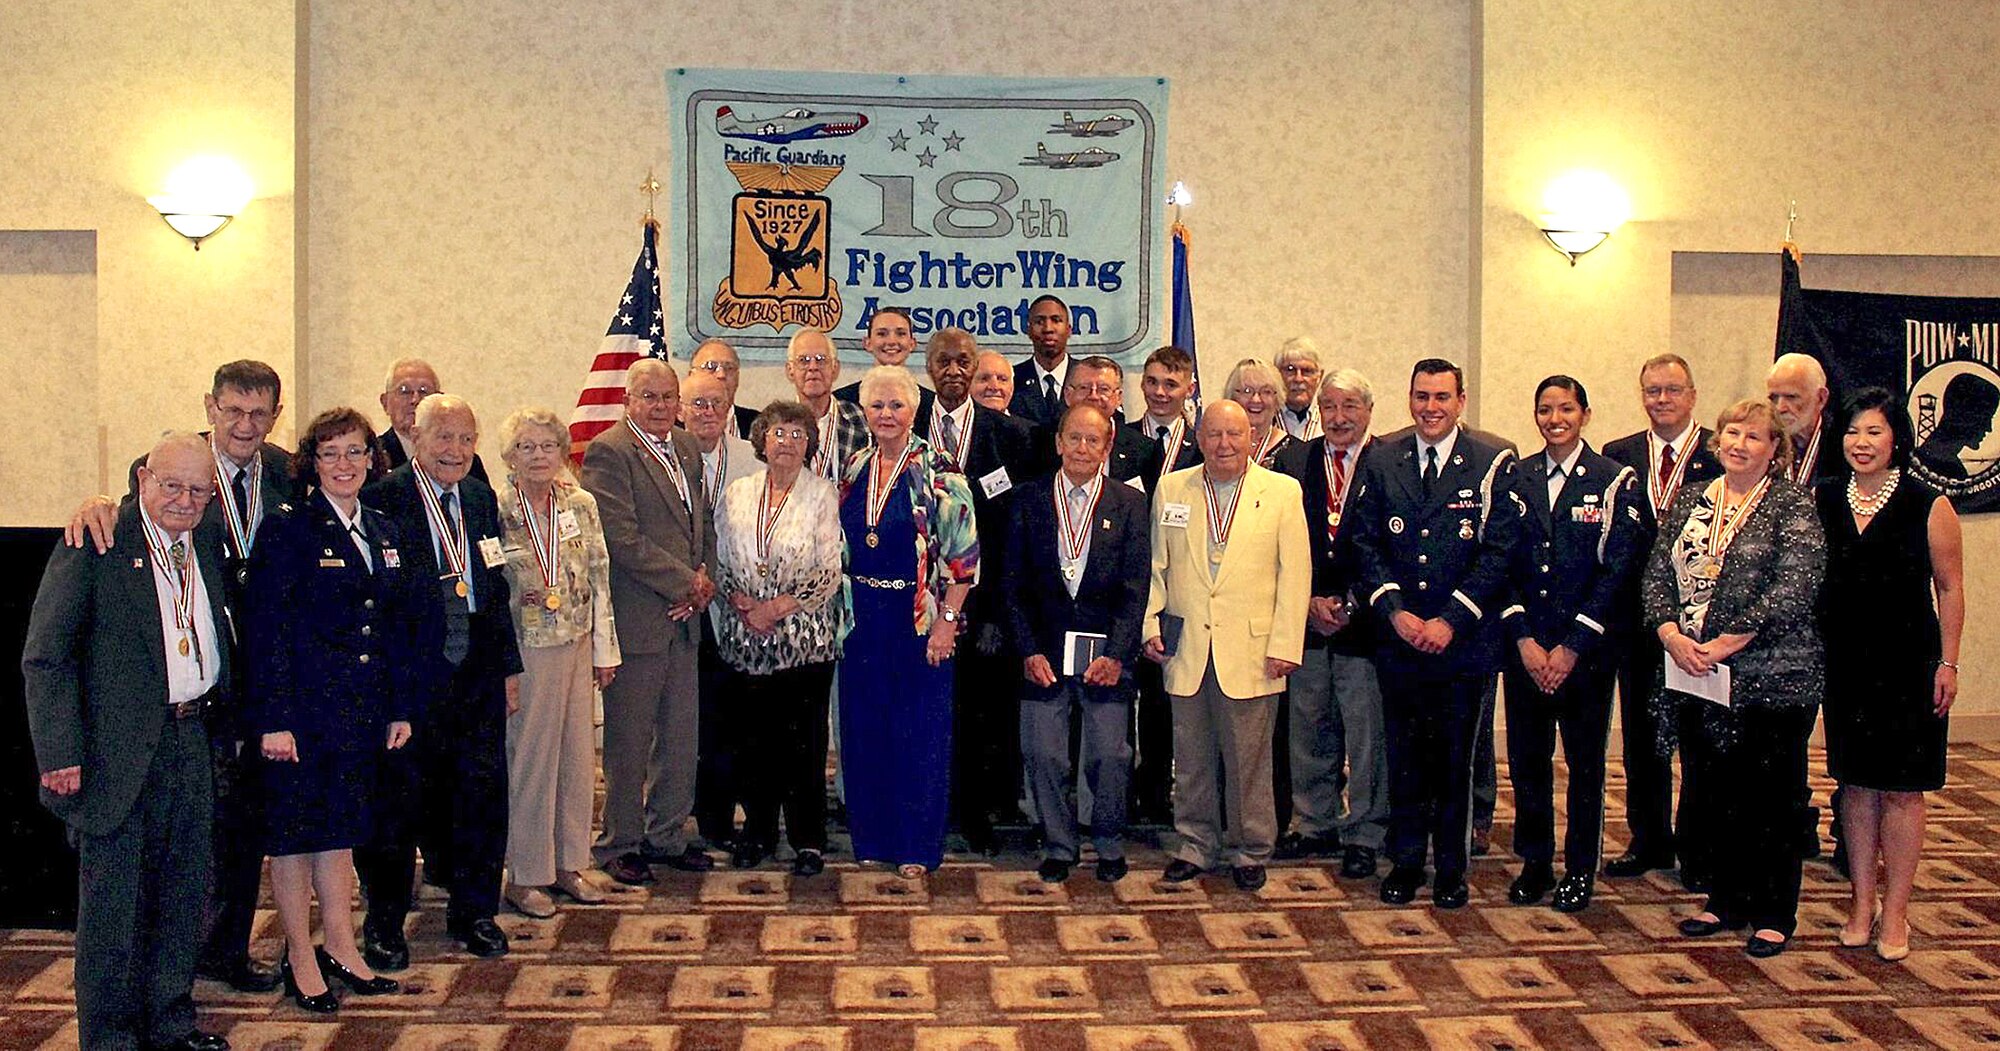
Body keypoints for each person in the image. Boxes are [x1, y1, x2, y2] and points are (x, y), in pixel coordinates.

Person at [62, 360, 293, 995]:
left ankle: (227, 950)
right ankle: (163, 975)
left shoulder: (284, 471)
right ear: (211, 408)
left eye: (258, 413)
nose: (245, 425)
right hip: (175, 685)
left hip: (249, 678)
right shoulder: (172, 465)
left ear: (275, 416)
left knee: (239, 827)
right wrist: (95, 503)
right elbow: (125, 520)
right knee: (163, 855)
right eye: (233, 411)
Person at [23, 432, 234, 1051]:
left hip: (192, 739)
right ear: (143, 478)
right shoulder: (99, 541)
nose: (184, 500)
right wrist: (59, 752)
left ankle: (170, 1023)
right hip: (115, 753)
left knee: (183, 893)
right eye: (172, 485)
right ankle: (110, 1038)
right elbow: (46, 657)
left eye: (198, 490)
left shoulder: (211, 543)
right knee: (113, 908)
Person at [245, 409, 412, 1011]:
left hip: (361, 713)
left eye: (355, 452)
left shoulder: (385, 529)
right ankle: (299, 955)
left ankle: (342, 945)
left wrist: (399, 707)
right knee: (295, 836)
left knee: (340, 832)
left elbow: (394, 629)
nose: (345, 465)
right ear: (311, 463)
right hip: (301, 715)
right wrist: (273, 719)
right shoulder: (288, 529)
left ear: (373, 458)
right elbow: (267, 631)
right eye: (331, 453)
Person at [1648, 399, 1826, 958]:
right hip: (1697, 673)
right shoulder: (1693, 499)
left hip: (1772, 678)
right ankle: (1724, 898)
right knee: (1713, 789)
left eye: (1754, 436)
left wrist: (1727, 642)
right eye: (1731, 432)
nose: (1739, 443)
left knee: (1771, 795)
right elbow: (1656, 574)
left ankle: (1774, 911)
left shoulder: (1791, 504)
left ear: (1775, 449)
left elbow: (1796, 584)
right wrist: (1671, 635)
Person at [1346, 358, 1522, 909]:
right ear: (1409, 399)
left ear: (1460, 400)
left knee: (1454, 759)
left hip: (1463, 642)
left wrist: (1450, 619)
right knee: (1402, 755)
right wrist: (1395, 611)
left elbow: (1500, 551)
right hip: (1399, 638)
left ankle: (1450, 869)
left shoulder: (1494, 459)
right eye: (1422, 396)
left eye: (1442, 397)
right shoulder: (1382, 455)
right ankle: (1404, 861)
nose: (1431, 408)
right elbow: (1364, 542)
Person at [356, 394, 524, 965]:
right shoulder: (383, 498)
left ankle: (476, 912)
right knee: (399, 801)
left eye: (465, 439)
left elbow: (495, 586)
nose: (455, 450)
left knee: (480, 792)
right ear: (416, 438)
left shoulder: (479, 498)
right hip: (411, 672)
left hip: (476, 669)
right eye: (443, 438)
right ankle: (384, 922)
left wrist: (508, 667)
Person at [1819, 387, 1963, 961]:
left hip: (1910, 664)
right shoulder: (1824, 498)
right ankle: (1860, 902)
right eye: (1853, 431)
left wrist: (1948, 662)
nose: (1862, 442)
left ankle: (1896, 912)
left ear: (1896, 439)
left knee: (1902, 790)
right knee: (1855, 786)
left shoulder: (1929, 504)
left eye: (1874, 431)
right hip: (1845, 664)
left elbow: (1949, 588)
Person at [1142, 400, 1311, 891]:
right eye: (1213, 434)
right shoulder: (1174, 488)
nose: (1224, 444)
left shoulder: (1281, 492)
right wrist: (1150, 625)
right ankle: (1195, 844)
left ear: (1252, 437)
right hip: (1187, 645)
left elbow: (1295, 574)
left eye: (1234, 434)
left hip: (1254, 650)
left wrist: (1286, 644)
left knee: (1249, 762)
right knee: (1190, 759)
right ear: (1199, 439)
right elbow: (1158, 565)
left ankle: (1251, 848)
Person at [1498, 377, 1644, 913]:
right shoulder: (1518, 477)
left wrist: (1573, 645)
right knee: (1527, 761)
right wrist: (1524, 639)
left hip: (1585, 656)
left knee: (1585, 765)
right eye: (1544, 409)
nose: (1554, 418)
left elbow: (1618, 571)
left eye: (1565, 408)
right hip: (1528, 652)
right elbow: (1502, 563)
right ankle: (1535, 861)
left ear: (1586, 413)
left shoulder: (1613, 480)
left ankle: (1581, 868)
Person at [580, 359, 719, 884]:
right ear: (628, 401)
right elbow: (621, 538)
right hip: (640, 617)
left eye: (668, 397)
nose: (661, 406)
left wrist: (702, 578)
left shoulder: (685, 446)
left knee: (681, 739)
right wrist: (687, 582)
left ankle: (665, 836)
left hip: (685, 618)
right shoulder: (610, 452)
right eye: (650, 397)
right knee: (629, 742)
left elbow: (700, 522)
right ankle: (620, 842)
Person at [839, 366, 979, 879]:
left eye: (896, 405)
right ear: (865, 411)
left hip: (918, 620)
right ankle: (872, 838)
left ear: (913, 409)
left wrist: (946, 623)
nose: (886, 415)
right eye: (877, 406)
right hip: (862, 620)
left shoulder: (941, 471)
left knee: (918, 734)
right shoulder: (855, 466)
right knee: (864, 728)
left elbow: (963, 562)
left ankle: (917, 845)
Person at [1004, 405, 1151, 884]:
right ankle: (1059, 844)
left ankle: (1107, 841)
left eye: (1094, 440)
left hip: (1106, 653)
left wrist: (1117, 654)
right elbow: (1012, 585)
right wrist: (1028, 650)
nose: (1083, 449)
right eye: (1075, 439)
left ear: (1107, 447)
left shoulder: (1129, 504)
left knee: (1111, 755)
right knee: (1044, 754)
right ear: (1058, 443)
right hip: (1042, 653)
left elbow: (1136, 588)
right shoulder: (1027, 500)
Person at [914, 328, 1041, 854]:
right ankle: (925, 809)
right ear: (929, 368)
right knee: (924, 711)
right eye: (943, 361)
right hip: (919, 605)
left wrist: (993, 616)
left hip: (984, 607)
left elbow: (1017, 535)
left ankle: (975, 815)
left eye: (963, 361)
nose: (954, 370)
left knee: (978, 715)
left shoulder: (1013, 436)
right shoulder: (906, 425)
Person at [492, 409, 620, 918]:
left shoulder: (581, 504)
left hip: (577, 642)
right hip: (527, 651)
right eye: (526, 447)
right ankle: (525, 876)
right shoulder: (497, 507)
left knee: (576, 758)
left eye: (548, 446)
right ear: (509, 456)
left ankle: (569, 864)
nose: (539, 456)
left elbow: (599, 574)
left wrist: (605, 649)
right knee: (530, 762)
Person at [712, 400, 848, 874]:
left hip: (804, 640)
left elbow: (829, 572)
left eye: (797, 434)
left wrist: (775, 608)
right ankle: (758, 831)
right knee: (752, 742)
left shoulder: (822, 494)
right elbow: (720, 559)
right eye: (777, 433)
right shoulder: (738, 493)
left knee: (804, 743)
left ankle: (808, 838)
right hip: (745, 638)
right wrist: (740, 602)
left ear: (809, 444)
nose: (786, 442)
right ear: (761, 440)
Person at [1601, 354, 1722, 884]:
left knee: (1699, 742)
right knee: (1644, 742)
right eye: (1652, 391)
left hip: (1703, 627)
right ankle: (1648, 841)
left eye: (1672, 390)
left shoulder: (1722, 453)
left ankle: (1699, 849)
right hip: (1637, 625)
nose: (1662, 400)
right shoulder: (1618, 455)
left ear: (1693, 395)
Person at [1275, 370, 1388, 880]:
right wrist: (1308, 602)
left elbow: (1393, 547)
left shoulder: (1389, 462)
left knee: (1366, 736)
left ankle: (1364, 829)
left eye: (1349, 406)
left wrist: (1351, 602)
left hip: (1365, 626)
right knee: (1309, 729)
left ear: (1368, 409)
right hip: (1308, 621)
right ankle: (1314, 821)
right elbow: (1280, 539)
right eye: (1330, 406)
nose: (1339, 418)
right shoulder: (1295, 459)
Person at [683, 370, 758, 854]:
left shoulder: (754, 461)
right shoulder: (663, 460)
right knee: (694, 719)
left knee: (740, 719)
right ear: (680, 410)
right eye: (697, 404)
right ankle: (699, 816)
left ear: (731, 407)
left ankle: (739, 817)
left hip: (739, 608)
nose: (707, 412)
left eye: (716, 403)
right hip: (683, 608)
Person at [1126, 345, 1201, 825]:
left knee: (1162, 697)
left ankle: (1158, 793)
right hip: (1121, 586)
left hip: (1176, 590)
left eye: (1170, 384)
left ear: (1188, 389)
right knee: (1115, 694)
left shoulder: (1203, 446)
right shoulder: (1118, 439)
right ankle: (1118, 791)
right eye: (1152, 381)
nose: (1159, 392)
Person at [377, 358, 490, 482]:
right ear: (385, 402)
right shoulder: (373, 456)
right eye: (405, 391)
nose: (415, 400)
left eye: (424, 391)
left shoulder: (465, 462)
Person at [788, 328, 872, 481]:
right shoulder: (777, 423)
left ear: (835, 369)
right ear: (790, 371)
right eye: (803, 360)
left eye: (821, 360)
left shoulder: (861, 419)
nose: (813, 367)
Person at [835, 306, 936, 418]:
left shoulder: (930, 404)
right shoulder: (842, 400)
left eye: (901, 333)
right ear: (867, 343)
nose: (891, 341)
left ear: (912, 344)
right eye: (882, 334)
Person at [1065, 355, 1151, 480]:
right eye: (1084, 388)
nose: (1093, 396)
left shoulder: (1144, 449)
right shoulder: (1041, 444)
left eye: (1103, 389)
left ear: (1118, 397)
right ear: (1068, 395)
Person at [1766, 352, 1840, 489]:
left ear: (1821, 398)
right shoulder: (1763, 444)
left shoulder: (1842, 445)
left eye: (1791, 397)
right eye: (1773, 398)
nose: (1780, 408)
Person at [1914, 372, 2000, 481]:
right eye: (1985, 419)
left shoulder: (1921, 459)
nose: (1989, 428)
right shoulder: (1951, 470)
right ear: (1964, 416)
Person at [1012, 295, 1075, 427]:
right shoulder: (1012, 379)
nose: (1048, 329)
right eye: (1039, 322)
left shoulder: (1086, 377)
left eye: (1056, 320)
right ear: (1028, 330)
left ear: (1069, 330)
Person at [1226, 358, 1300, 470]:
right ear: (1232, 397)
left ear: (1277, 399)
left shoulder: (1297, 453)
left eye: (1266, 391)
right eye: (1247, 391)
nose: (1256, 400)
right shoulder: (1218, 448)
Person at [688, 338, 760, 439]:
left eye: (729, 368)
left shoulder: (759, 424)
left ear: (737, 378)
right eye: (711, 367)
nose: (721, 375)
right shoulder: (672, 426)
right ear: (692, 375)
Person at [1274, 337, 1325, 440]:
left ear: (1320, 376)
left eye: (1307, 371)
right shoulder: (1265, 419)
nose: (1298, 379)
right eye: (1290, 370)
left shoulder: (1329, 419)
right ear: (1276, 373)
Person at [972, 350, 1017, 415]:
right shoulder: (954, 424)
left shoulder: (1028, 425)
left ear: (1012, 387)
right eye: (984, 379)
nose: (994, 387)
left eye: (1002, 379)